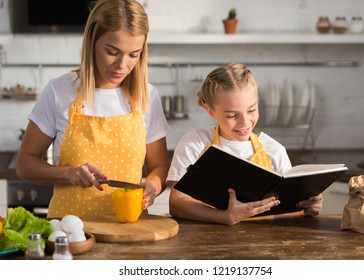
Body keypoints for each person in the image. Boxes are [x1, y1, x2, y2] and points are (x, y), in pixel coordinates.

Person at [16, 0, 170, 218]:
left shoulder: (148, 96)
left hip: (129, 232)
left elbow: (159, 167)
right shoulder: (60, 91)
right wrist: (68, 173)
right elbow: (25, 164)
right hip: (71, 233)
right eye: (112, 51)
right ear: (92, 41)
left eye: (133, 54)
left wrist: (153, 185)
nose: (122, 65)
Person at [167, 63, 323, 225]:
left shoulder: (274, 150)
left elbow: (289, 208)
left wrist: (307, 207)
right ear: (210, 111)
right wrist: (225, 217)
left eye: (251, 110)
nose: (245, 122)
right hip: (206, 242)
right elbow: (177, 204)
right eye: (232, 115)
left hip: (263, 245)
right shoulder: (195, 143)